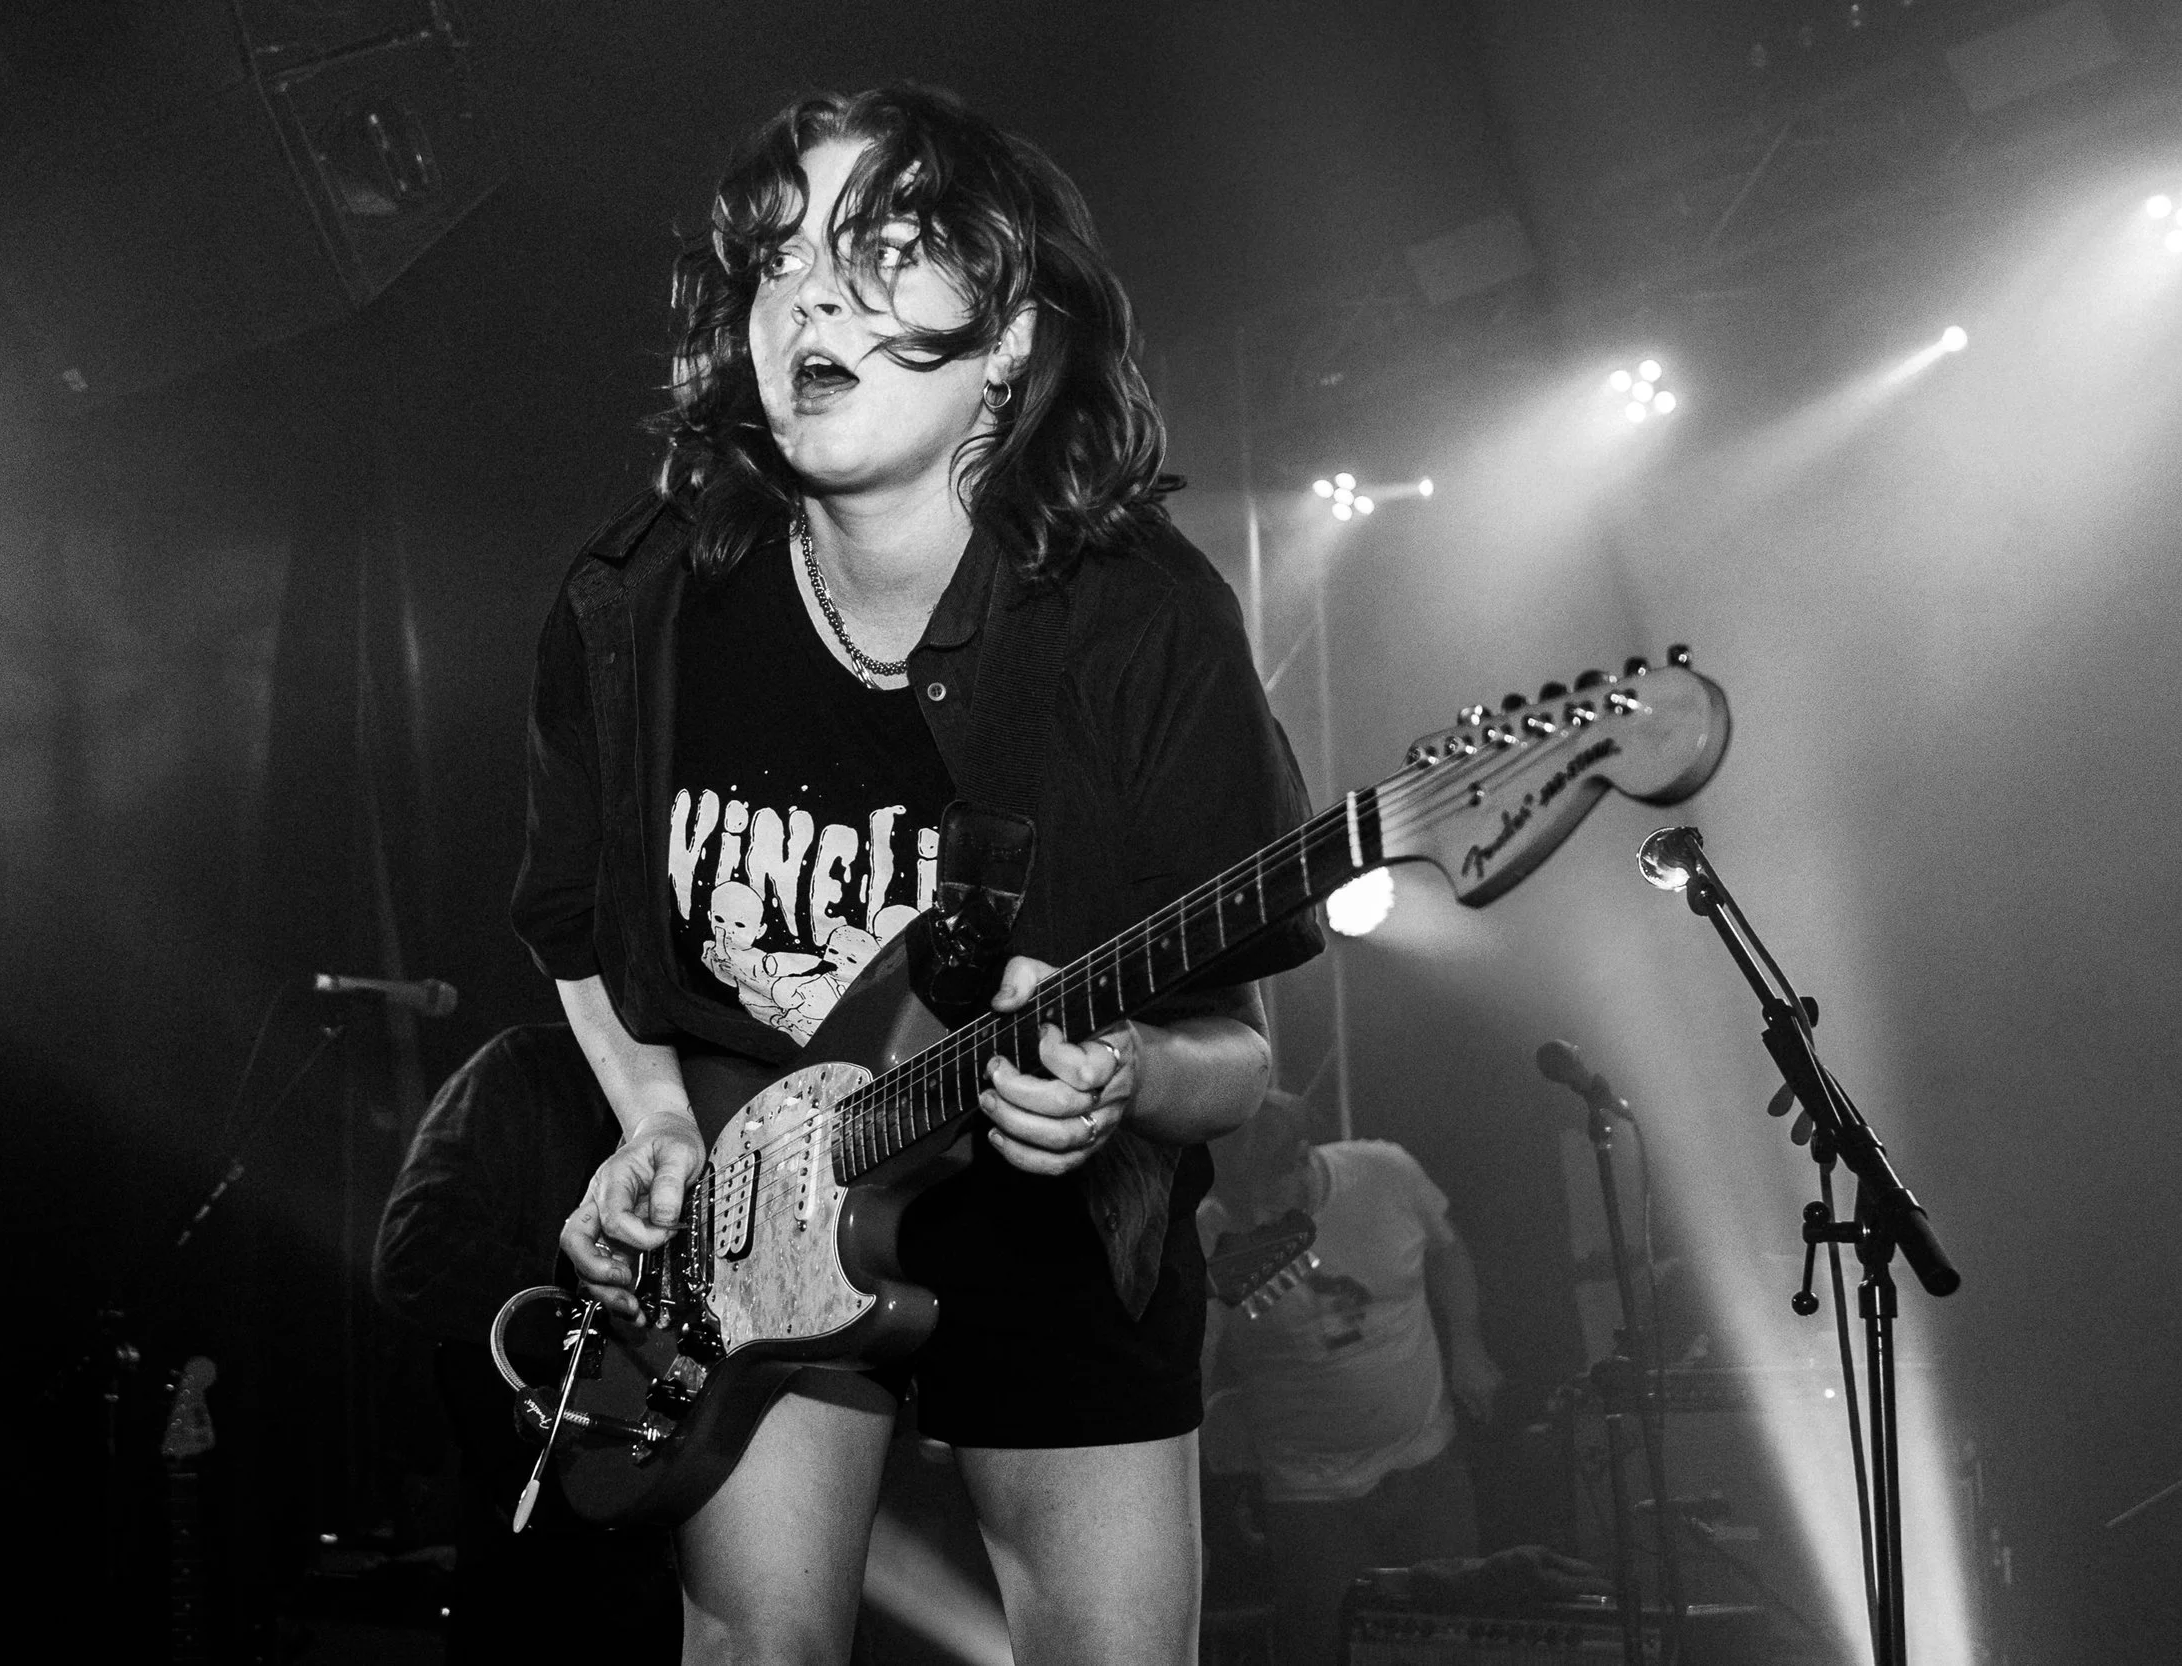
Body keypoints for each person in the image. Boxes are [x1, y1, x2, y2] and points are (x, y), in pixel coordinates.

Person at [510, 85, 1323, 1665]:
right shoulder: (644, 603)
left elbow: (1240, 1063)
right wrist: (663, 1124)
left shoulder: (1141, 624)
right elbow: (571, 924)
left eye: (880, 250)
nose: (807, 291)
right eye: (777, 258)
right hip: (764, 1215)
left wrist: (1131, 1072)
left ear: (1010, 334)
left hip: (1054, 1235)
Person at [370, 1025, 680, 1665]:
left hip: (688, 1499)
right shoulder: (528, 1067)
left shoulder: (745, 1084)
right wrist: (580, 1296)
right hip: (549, 1515)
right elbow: (412, 1256)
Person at [1199, 1093, 1505, 1666]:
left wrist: (1469, 1349)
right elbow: (1197, 1356)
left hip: (1425, 1457)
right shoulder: (1217, 1230)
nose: (1257, 1220)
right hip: (1309, 1493)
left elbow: (1448, 1251)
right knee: (1325, 1651)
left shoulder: (1384, 1172)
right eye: (1241, 1204)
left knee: (1456, 1642)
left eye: (1266, 1200)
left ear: (1300, 1158)